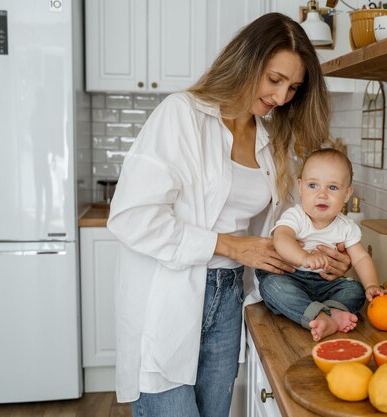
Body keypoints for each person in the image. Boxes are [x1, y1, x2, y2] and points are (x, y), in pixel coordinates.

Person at [106, 12, 351, 417]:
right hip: (168, 298)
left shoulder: (270, 139)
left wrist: (318, 255)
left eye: (293, 87)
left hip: (229, 299)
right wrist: (228, 246)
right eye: (274, 80)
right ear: (246, 60)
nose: (281, 97)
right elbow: (131, 216)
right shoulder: (182, 114)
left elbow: (274, 234)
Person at [257, 149, 386, 342]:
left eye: (332, 188)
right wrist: (304, 257)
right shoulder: (296, 216)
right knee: (271, 286)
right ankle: (319, 315)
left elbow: (360, 257)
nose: (322, 195)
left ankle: (331, 312)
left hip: (327, 284)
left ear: (347, 194)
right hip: (292, 277)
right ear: (300, 187)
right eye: (313, 185)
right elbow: (281, 238)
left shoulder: (346, 226)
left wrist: (372, 285)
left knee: (355, 290)